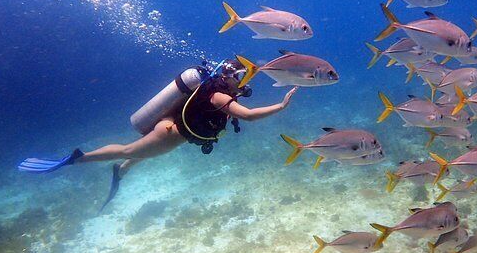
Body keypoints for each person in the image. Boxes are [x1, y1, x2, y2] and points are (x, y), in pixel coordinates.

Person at [18, 59, 298, 211]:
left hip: (172, 129)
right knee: (130, 149)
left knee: (142, 153)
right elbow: (247, 116)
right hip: (170, 133)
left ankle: (122, 169)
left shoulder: (215, 90)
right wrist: (281, 106)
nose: (243, 83)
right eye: (241, 78)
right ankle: (77, 159)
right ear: (229, 78)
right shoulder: (217, 95)